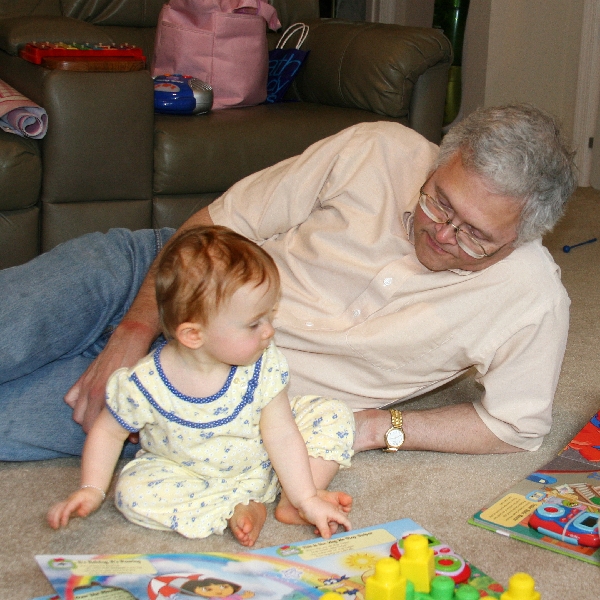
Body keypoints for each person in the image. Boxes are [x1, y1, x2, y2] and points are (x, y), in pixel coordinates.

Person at [0, 103, 576, 462]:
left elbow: (514, 427)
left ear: (525, 236)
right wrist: (134, 327)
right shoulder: (378, 147)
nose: (443, 234)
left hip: (213, 401)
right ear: (439, 160)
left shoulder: (532, 295)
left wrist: (379, 428)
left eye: (475, 236)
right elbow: (214, 225)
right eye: (437, 202)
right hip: (164, 271)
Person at [46, 226, 353, 545]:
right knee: (131, 492)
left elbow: (281, 432)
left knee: (331, 414)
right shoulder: (145, 383)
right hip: (189, 474)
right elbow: (109, 431)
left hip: (263, 457)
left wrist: (306, 496)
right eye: (254, 324)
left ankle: (297, 498)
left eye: (269, 317)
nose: (268, 332)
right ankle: (235, 506)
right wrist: (92, 489)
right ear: (193, 335)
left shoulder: (263, 365)